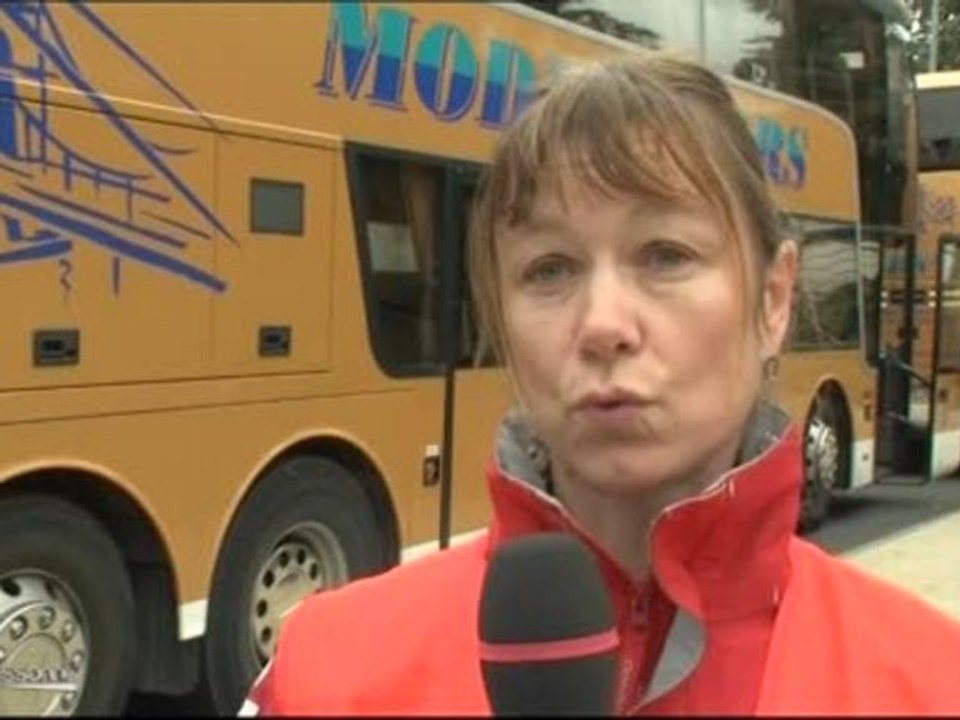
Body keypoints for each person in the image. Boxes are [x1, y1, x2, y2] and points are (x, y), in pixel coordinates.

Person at [241, 53, 960, 715]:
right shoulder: (322, 676)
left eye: (666, 256)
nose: (603, 324)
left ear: (773, 300)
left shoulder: (930, 683)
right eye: (550, 269)